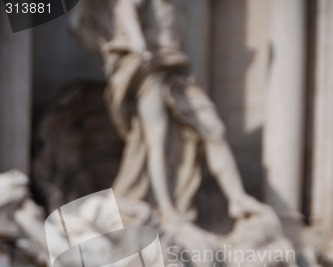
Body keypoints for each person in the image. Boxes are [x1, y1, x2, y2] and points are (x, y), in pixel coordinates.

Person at [69, 0, 264, 223]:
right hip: (152, 67)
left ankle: (237, 199)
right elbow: (125, 6)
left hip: (176, 67)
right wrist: (137, 42)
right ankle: (165, 208)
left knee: (213, 128)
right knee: (156, 138)